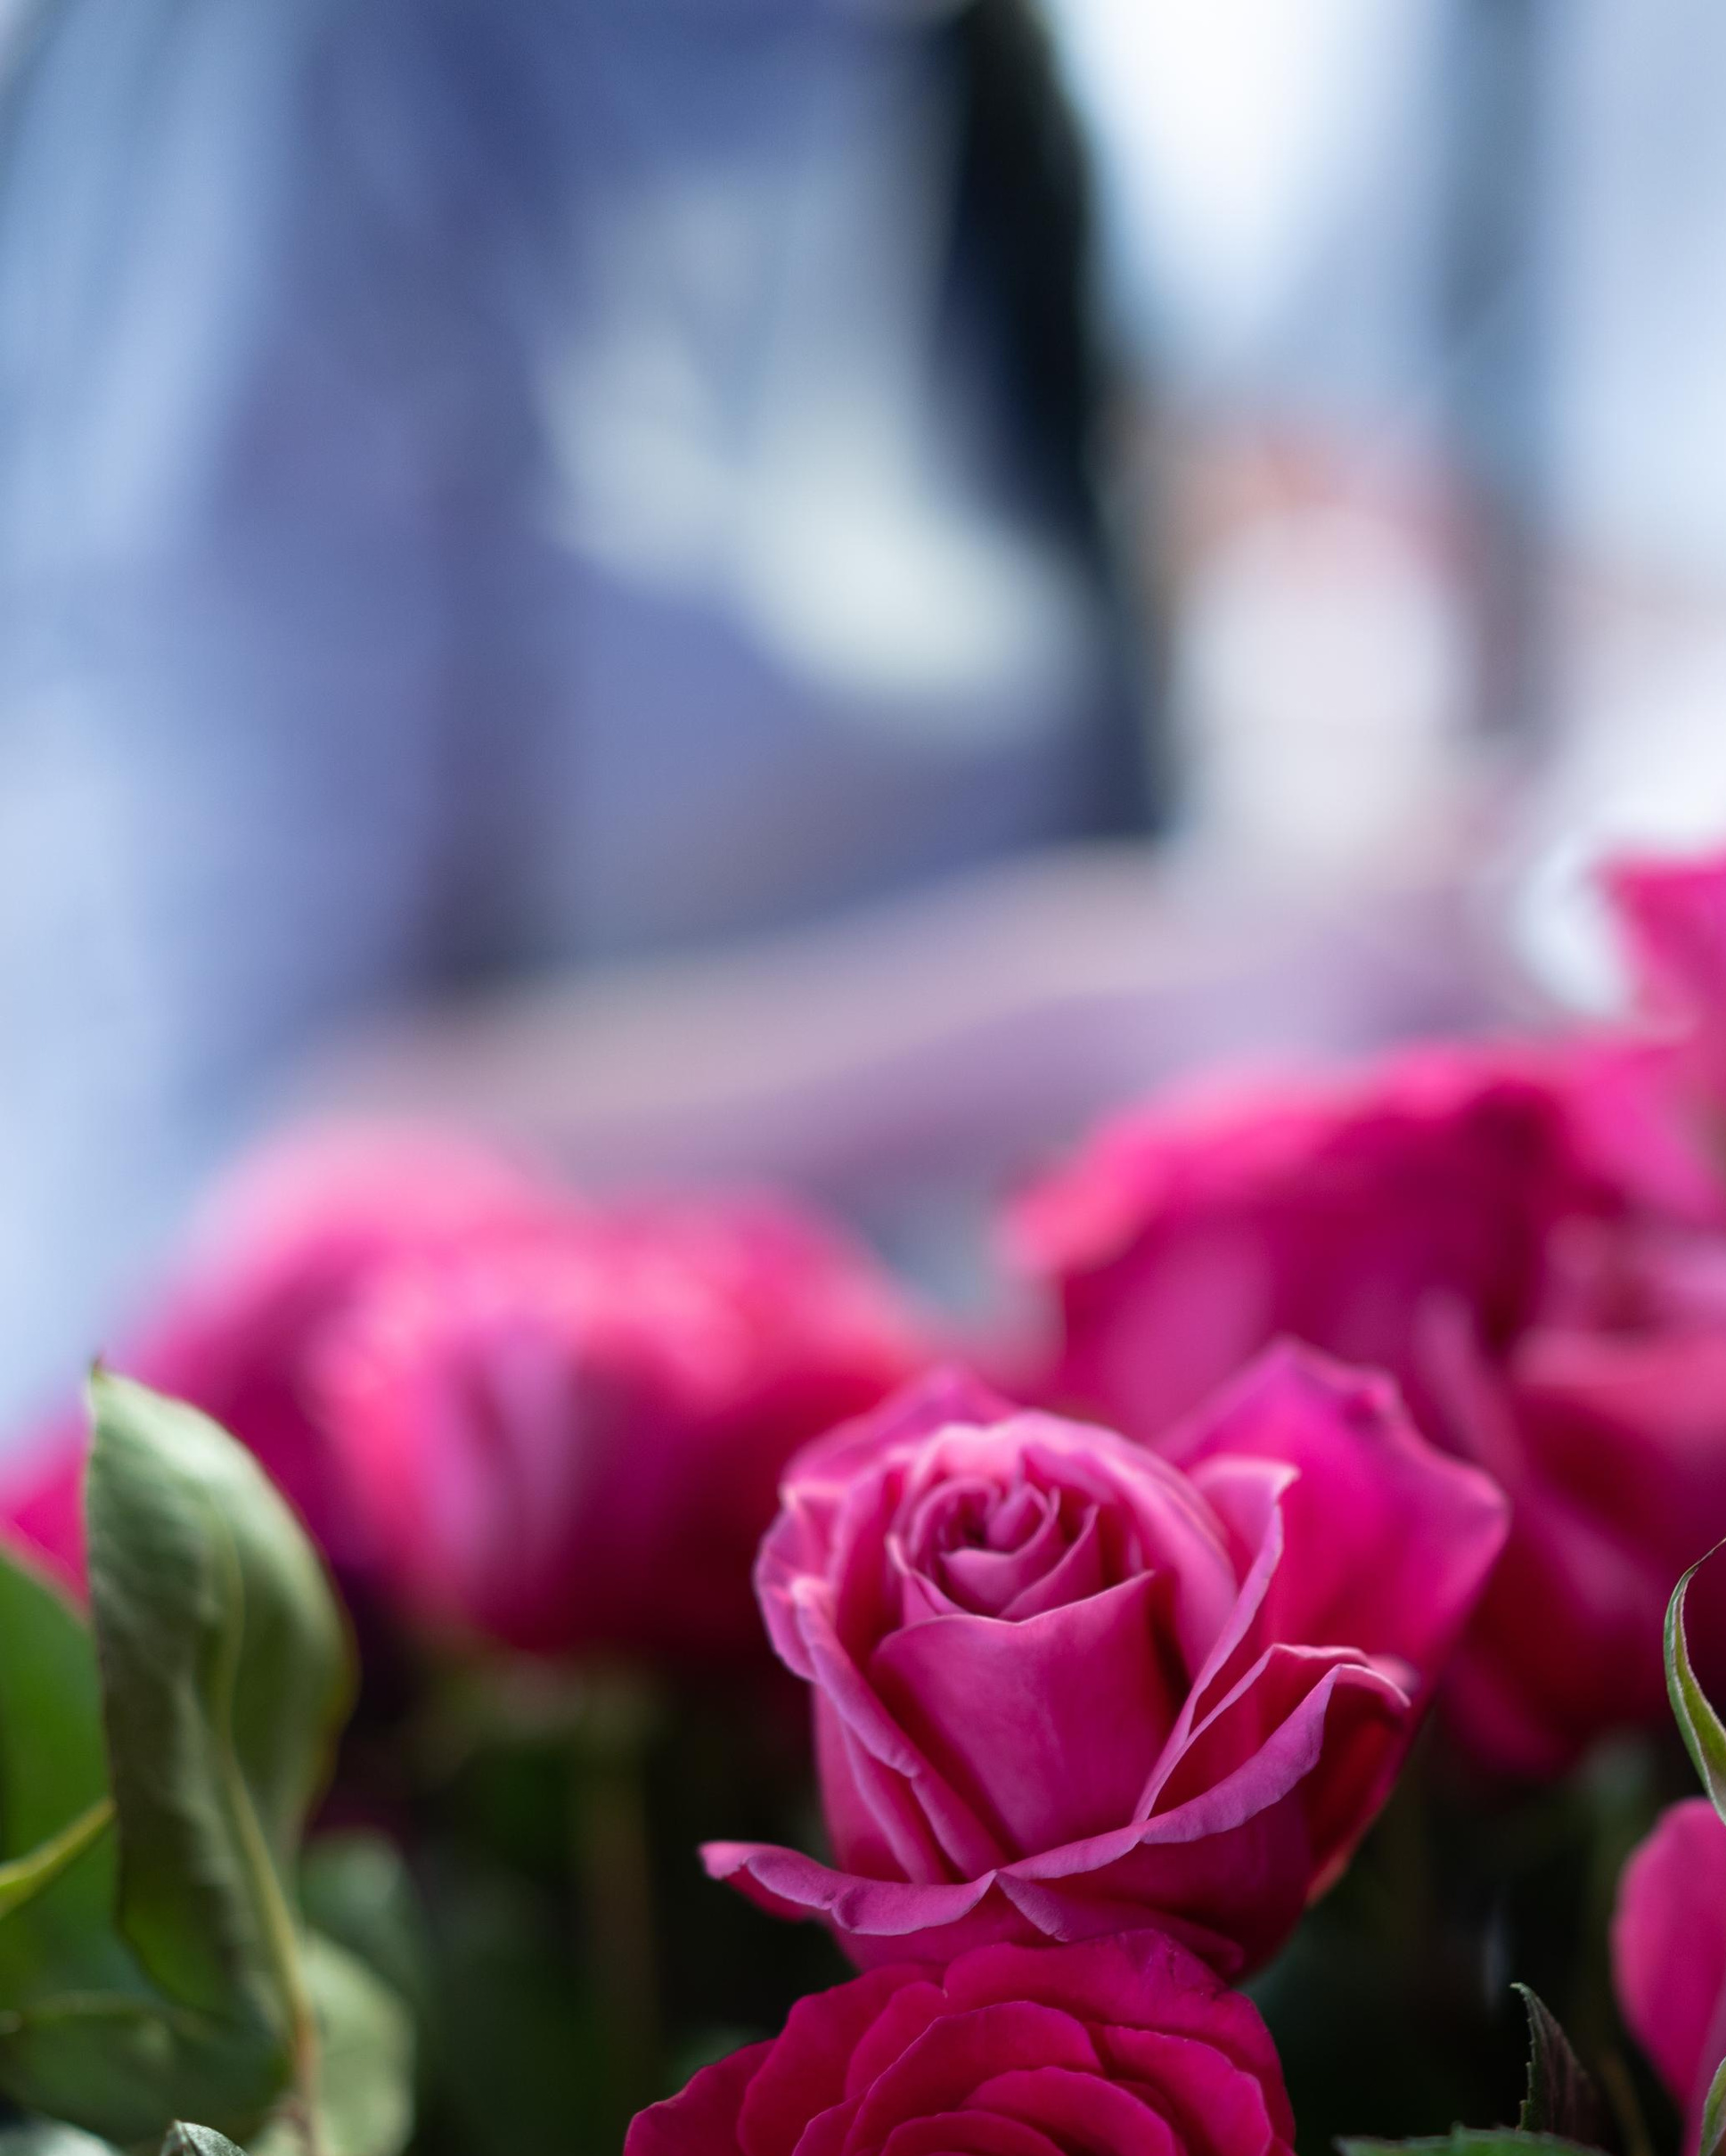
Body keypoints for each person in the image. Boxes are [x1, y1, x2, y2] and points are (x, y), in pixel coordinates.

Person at [0, 0, 1148, 1419]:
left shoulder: (948, 78)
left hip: (821, 1463)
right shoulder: (296, 75)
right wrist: (1108, 1007)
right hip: (335, 1547)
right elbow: (227, 1184)